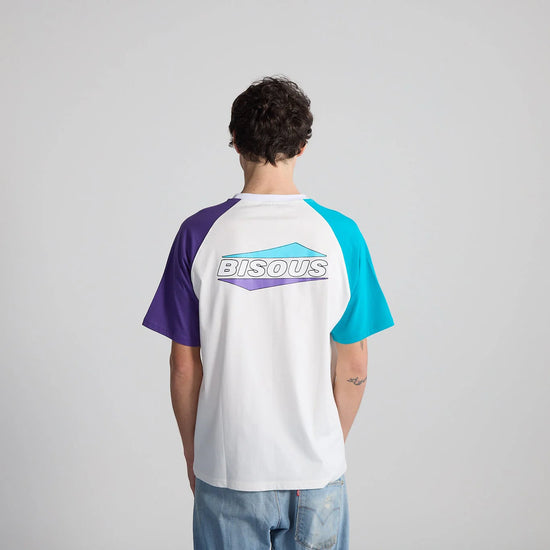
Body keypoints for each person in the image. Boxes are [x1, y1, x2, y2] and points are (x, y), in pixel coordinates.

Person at [142, 75, 395, 550]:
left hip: (229, 467)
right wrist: (323, 448)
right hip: (316, 473)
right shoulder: (341, 235)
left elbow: (183, 364)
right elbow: (354, 361)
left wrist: (194, 452)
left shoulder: (199, 233)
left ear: (235, 140)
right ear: (302, 146)